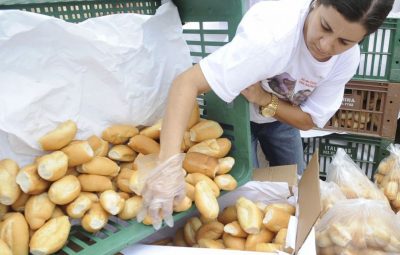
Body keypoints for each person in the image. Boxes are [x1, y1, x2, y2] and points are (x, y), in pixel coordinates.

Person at [137, 0, 394, 229]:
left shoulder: (346, 59)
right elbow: (186, 83)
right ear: (316, 3)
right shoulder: (272, 36)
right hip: (233, 113)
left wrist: (264, 99)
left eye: (344, 41)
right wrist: (167, 166)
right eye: (325, 27)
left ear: (361, 39)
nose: (326, 45)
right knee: (240, 197)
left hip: (282, 121)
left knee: (297, 190)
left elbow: (308, 121)